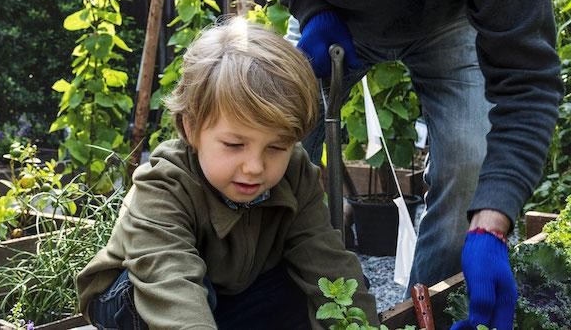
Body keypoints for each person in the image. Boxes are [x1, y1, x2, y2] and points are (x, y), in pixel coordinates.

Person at [241, 0, 563, 328]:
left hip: (447, 23)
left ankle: (427, 308)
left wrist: (492, 221)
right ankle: (262, 288)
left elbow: (527, 75)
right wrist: (311, 8)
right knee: (260, 128)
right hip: (340, 23)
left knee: (469, 160)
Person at [77, 16, 378, 329]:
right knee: (172, 293)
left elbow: (325, 260)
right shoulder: (163, 185)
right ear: (191, 127)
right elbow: (171, 283)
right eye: (235, 145)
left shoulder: (295, 172)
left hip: (230, 293)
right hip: (144, 293)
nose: (255, 167)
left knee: (335, 290)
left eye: (276, 148)